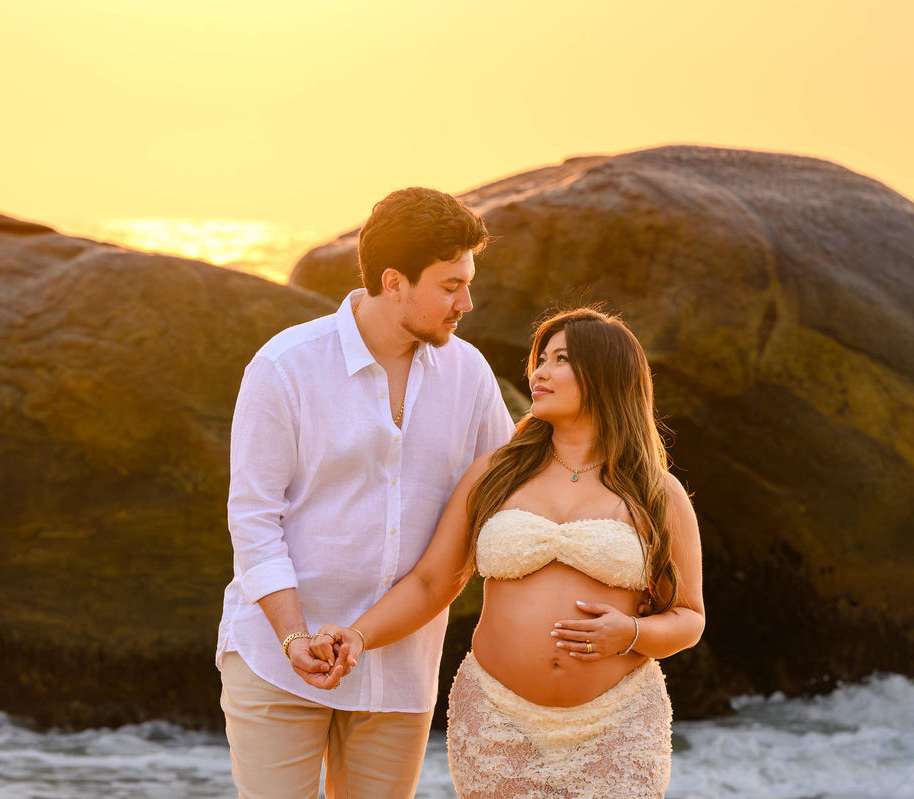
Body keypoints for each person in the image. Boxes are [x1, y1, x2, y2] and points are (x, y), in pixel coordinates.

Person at [313, 307, 705, 798]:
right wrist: (358, 634)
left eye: (560, 360)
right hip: (498, 721)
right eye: (539, 359)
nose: (538, 372)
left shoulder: (655, 492)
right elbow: (432, 582)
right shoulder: (496, 473)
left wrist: (631, 633)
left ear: (606, 374)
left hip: (618, 724)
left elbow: (688, 617)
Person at [215, 187, 517, 799]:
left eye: (468, 282)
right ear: (394, 281)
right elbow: (253, 521)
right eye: (451, 284)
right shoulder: (285, 366)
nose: (468, 301)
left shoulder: (471, 375)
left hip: (401, 672)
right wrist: (295, 637)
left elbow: (510, 500)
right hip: (278, 662)